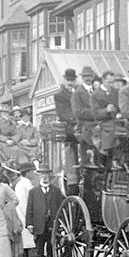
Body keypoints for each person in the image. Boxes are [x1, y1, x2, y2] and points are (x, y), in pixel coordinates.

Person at [26, 164, 64, 257]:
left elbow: (60, 209)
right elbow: (29, 209)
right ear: (39, 176)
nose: (45, 177)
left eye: (47, 174)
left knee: (51, 250)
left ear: (50, 176)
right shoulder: (33, 192)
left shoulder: (56, 191)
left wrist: (60, 225)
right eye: (42, 174)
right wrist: (29, 224)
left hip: (52, 225)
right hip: (39, 224)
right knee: (39, 250)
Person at [53, 68, 80, 196]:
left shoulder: (80, 93)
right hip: (70, 129)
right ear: (64, 80)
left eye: (72, 80)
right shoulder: (60, 96)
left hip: (82, 126)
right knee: (72, 144)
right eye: (68, 80)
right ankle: (72, 180)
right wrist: (76, 119)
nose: (70, 82)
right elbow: (63, 114)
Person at [8, 162, 36, 257]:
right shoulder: (26, 183)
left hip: (20, 212)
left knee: (26, 241)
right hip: (25, 214)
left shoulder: (20, 183)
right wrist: (29, 216)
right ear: (27, 172)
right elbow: (28, 201)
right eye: (31, 171)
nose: (33, 173)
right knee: (31, 240)